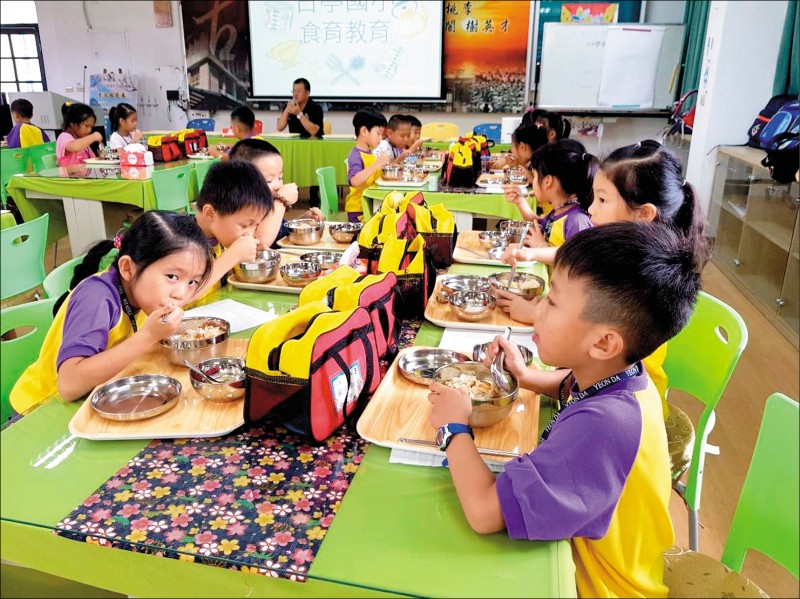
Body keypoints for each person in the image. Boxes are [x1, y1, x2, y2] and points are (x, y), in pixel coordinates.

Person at [428, 222, 703, 598]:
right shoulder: (623, 375)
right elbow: (572, 387)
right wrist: (525, 376)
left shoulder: (603, 428)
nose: (537, 311)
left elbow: (483, 512)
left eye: (552, 301)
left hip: (595, 586)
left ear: (604, 343)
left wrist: (453, 427)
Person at [10, 211, 213, 415]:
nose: (181, 293)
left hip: (100, 398)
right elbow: (69, 385)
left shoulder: (145, 294)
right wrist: (148, 336)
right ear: (127, 268)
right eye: (172, 276)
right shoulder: (97, 298)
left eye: (192, 282)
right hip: (43, 410)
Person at [502, 139, 597, 265]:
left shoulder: (577, 220)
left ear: (548, 181)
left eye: (535, 176)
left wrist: (540, 247)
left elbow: (576, 260)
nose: (533, 180)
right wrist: (520, 202)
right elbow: (540, 227)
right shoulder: (560, 210)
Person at [190, 160, 274, 302]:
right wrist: (233, 255)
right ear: (210, 213)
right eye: (244, 226)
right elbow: (182, 296)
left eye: (255, 226)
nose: (250, 234)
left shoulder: (221, 235)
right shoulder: (181, 242)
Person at [229, 137, 324, 248]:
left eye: (280, 177)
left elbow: (278, 230)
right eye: (269, 180)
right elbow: (259, 244)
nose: (278, 185)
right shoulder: (241, 207)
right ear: (244, 181)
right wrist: (281, 200)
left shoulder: (268, 201)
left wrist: (302, 221)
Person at [345, 107, 390, 223]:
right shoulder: (356, 155)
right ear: (364, 131)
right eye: (378, 133)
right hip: (358, 210)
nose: (381, 138)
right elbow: (354, 180)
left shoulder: (370, 153)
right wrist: (377, 164)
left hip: (370, 204)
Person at [56, 102, 102, 167]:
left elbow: (91, 159)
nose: (89, 130)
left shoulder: (83, 141)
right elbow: (75, 147)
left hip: (84, 176)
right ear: (72, 123)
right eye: (86, 126)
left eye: (91, 127)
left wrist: (100, 158)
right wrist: (93, 137)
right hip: (69, 176)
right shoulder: (64, 136)